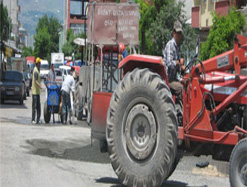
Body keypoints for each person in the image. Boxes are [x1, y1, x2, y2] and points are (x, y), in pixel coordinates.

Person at [163, 20, 185, 100]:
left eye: (180, 33)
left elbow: (177, 65)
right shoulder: (170, 45)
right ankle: (186, 111)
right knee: (183, 89)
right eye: (177, 33)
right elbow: (169, 63)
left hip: (174, 78)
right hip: (168, 79)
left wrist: (182, 68)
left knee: (187, 84)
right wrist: (179, 63)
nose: (179, 35)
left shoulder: (176, 46)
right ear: (174, 33)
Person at [31, 57, 42, 124]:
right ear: (37, 63)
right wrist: (40, 85)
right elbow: (35, 81)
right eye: (39, 63)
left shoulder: (38, 70)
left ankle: (38, 119)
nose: (40, 64)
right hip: (35, 92)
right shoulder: (35, 70)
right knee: (34, 106)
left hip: (37, 92)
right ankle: (33, 119)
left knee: (38, 106)